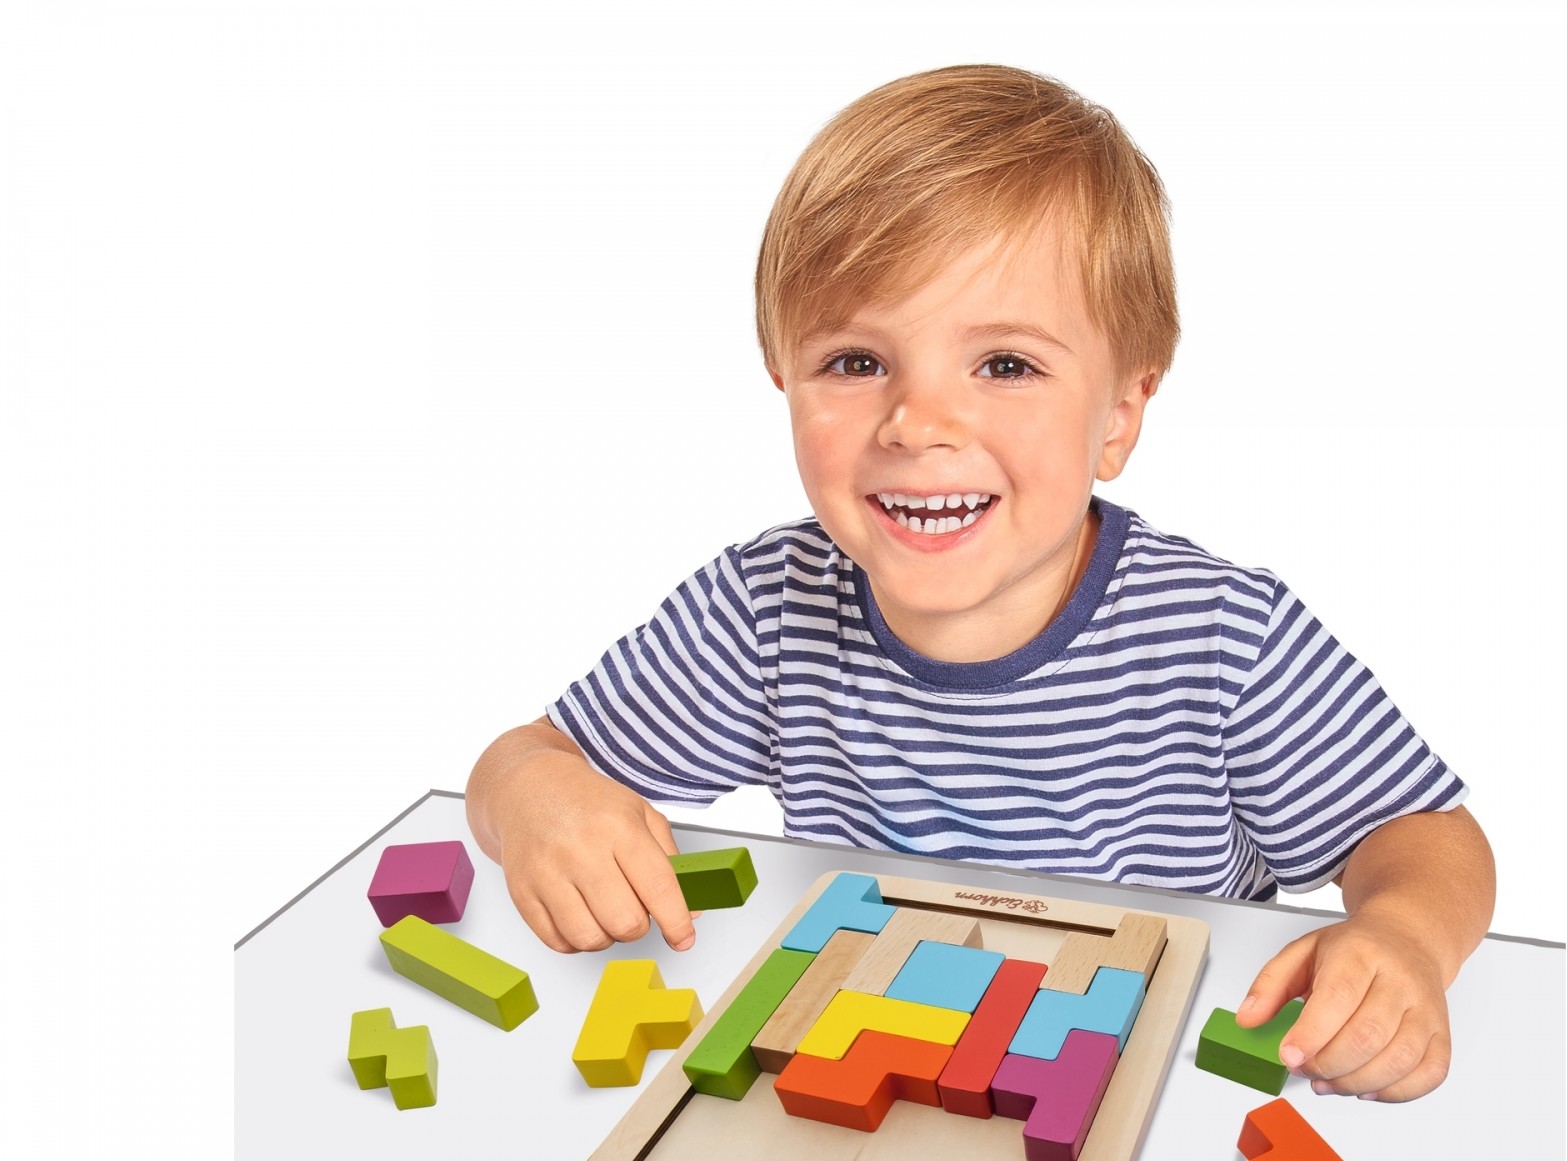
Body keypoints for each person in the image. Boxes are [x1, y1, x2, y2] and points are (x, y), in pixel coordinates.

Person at [466, 64, 1495, 1103]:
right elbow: (529, 760)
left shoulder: (1220, 635)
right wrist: (533, 794)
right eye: (856, 362)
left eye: (1005, 365)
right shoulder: (765, 608)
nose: (918, 423)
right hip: (889, 1063)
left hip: (1154, 1078)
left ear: (1119, 416)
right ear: (783, 380)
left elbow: (1422, 833)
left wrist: (1405, 935)